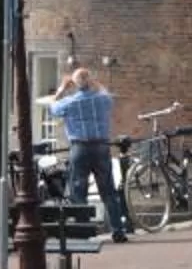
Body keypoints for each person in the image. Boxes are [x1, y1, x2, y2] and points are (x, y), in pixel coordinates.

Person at [47, 62, 133, 243]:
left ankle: (84, 232)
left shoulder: (70, 102)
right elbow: (107, 95)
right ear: (90, 81)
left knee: (79, 191)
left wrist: (62, 89)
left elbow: (52, 108)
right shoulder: (103, 99)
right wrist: (95, 83)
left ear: (76, 84)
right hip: (101, 147)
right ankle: (118, 231)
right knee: (108, 191)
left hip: (80, 148)